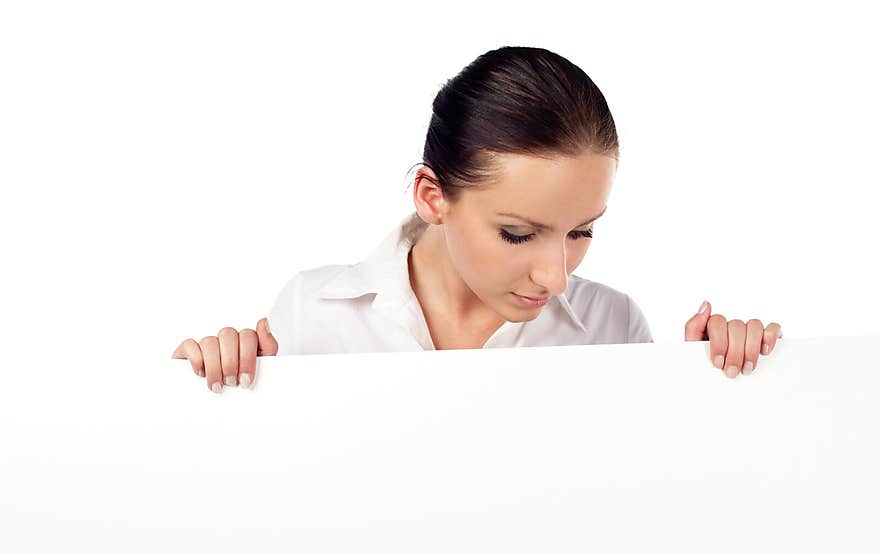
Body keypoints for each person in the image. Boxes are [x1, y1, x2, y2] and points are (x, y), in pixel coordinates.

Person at [172, 46, 782, 393]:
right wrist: (201, 392)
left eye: (581, 231)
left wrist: (717, 389)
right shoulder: (312, 317)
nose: (558, 277)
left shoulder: (610, 327)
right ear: (432, 196)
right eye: (518, 233)